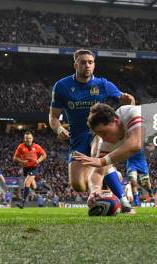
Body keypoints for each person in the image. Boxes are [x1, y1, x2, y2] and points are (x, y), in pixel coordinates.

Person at [49, 48, 135, 213]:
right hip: (77, 138)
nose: (87, 65)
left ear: (94, 64)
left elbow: (128, 104)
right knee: (79, 185)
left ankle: (124, 203)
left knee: (98, 153)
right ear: (75, 64)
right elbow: (53, 116)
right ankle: (111, 174)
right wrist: (58, 127)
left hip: (99, 132)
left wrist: (129, 102)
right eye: (83, 62)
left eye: (90, 62)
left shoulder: (103, 84)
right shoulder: (62, 86)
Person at [13, 131, 46, 209]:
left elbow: (44, 155)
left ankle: (22, 203)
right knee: (33, 186)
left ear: (32, 138)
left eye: (30, 138)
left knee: (26, 183)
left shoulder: (37, 146)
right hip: (26, 168)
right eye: (26, 138)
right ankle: (42, 194)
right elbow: (15, 158)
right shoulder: (21, 147)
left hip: (34, 167)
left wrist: (38, 161)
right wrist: (22, 161)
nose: (28, 140)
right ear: (24, 139)